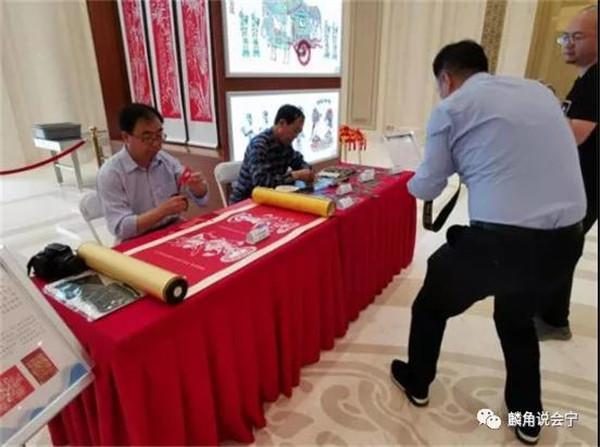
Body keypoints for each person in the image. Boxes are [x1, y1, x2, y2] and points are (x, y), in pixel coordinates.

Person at [390, 41, 586, 446]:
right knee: (516, 320)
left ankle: (418, 381)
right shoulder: (539, 92)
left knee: (430, 305)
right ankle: (528, 417)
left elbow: (427, 187)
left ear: (446, 79)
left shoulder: (451, 109)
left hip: (500, 246)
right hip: (567, 241)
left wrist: (407, 174)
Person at [534, 6, 598, 341]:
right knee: (562, 246)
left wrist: (547, 106)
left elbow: (573, 135)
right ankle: (552, 315)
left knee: (560, 247)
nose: (568, 44)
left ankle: (554, 320)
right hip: (581, 181)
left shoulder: (595, 81)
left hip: (586, 183)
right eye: (565, 37)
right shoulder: (586, 79)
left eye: (578, 37)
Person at [97, 103, 208, 241]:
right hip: (136, 239)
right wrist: (162, 211)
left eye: (159, 135)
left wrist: (199, 189)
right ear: (126, 137)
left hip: (173, 227)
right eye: (147, 137)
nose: (156, 143)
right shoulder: (111, 174)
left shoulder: (166, 160)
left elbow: (200, 200)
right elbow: (121, 228)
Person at [230, 104, 314, 203]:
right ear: (282, 123)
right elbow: (261, 184)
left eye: (299, 132)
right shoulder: (259, 145)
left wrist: (307, 171)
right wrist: (294, 175)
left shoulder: (285, 144)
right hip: (247, 200)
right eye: (295, 131)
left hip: (271, 199)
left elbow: (298, 161)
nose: (296, 136)